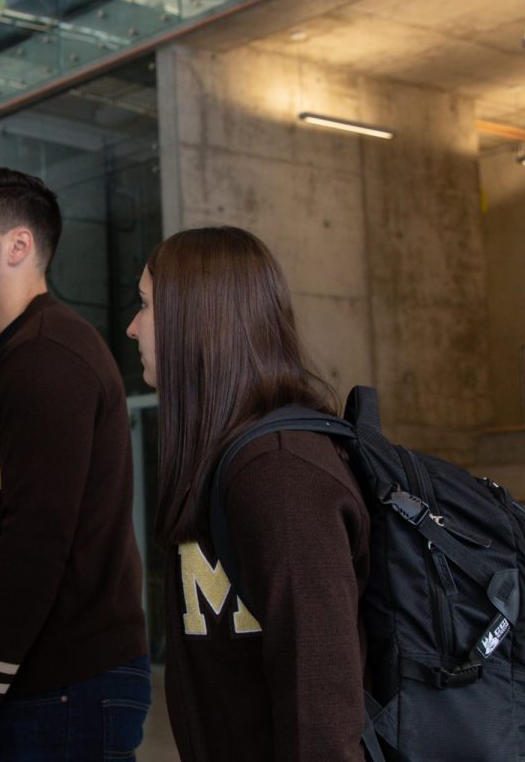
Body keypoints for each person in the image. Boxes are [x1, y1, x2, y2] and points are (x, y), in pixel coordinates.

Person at [125, 226, 368, 761]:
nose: (132, 327)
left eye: (146, 306)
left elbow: (320, 708)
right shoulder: (232, 459)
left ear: (197, 320)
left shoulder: (281, 473)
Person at [0, 165, 150, 762]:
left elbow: (35, 539)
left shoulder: (49, 357)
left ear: (18, 246)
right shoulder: (21, 359)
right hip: (45, 687)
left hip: (65, 688)